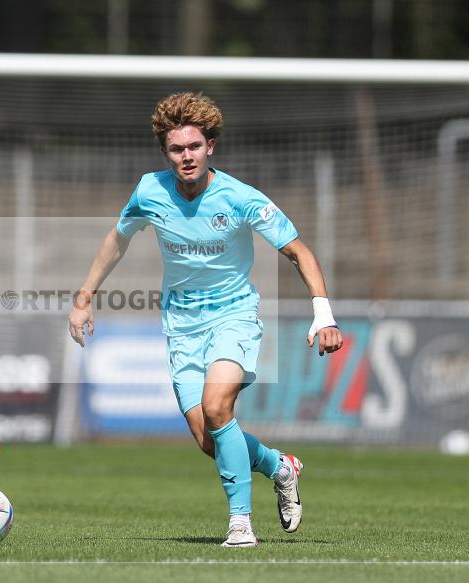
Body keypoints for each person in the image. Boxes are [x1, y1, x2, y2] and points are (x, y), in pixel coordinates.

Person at [68, 92, 343, 547]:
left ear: (210, 146)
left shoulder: (239, 197)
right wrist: (84, 297)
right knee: (208, 439)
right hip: (181, 324)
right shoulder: (149, 191)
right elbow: (117, 240)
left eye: (194, 146)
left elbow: (298, 250)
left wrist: (323, 314)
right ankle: (280, 467)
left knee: (218, 409)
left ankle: (240, 524)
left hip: (234, 316)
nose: (186, 156)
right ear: (166, 153)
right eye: (177, 149)